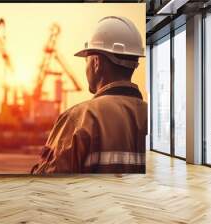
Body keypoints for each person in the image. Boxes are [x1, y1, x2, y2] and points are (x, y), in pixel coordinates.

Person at [31, 16, 147, 174]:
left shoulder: (79, 118)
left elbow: (48, 183)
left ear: (96, 62)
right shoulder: (150, 116)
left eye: (86, 60)